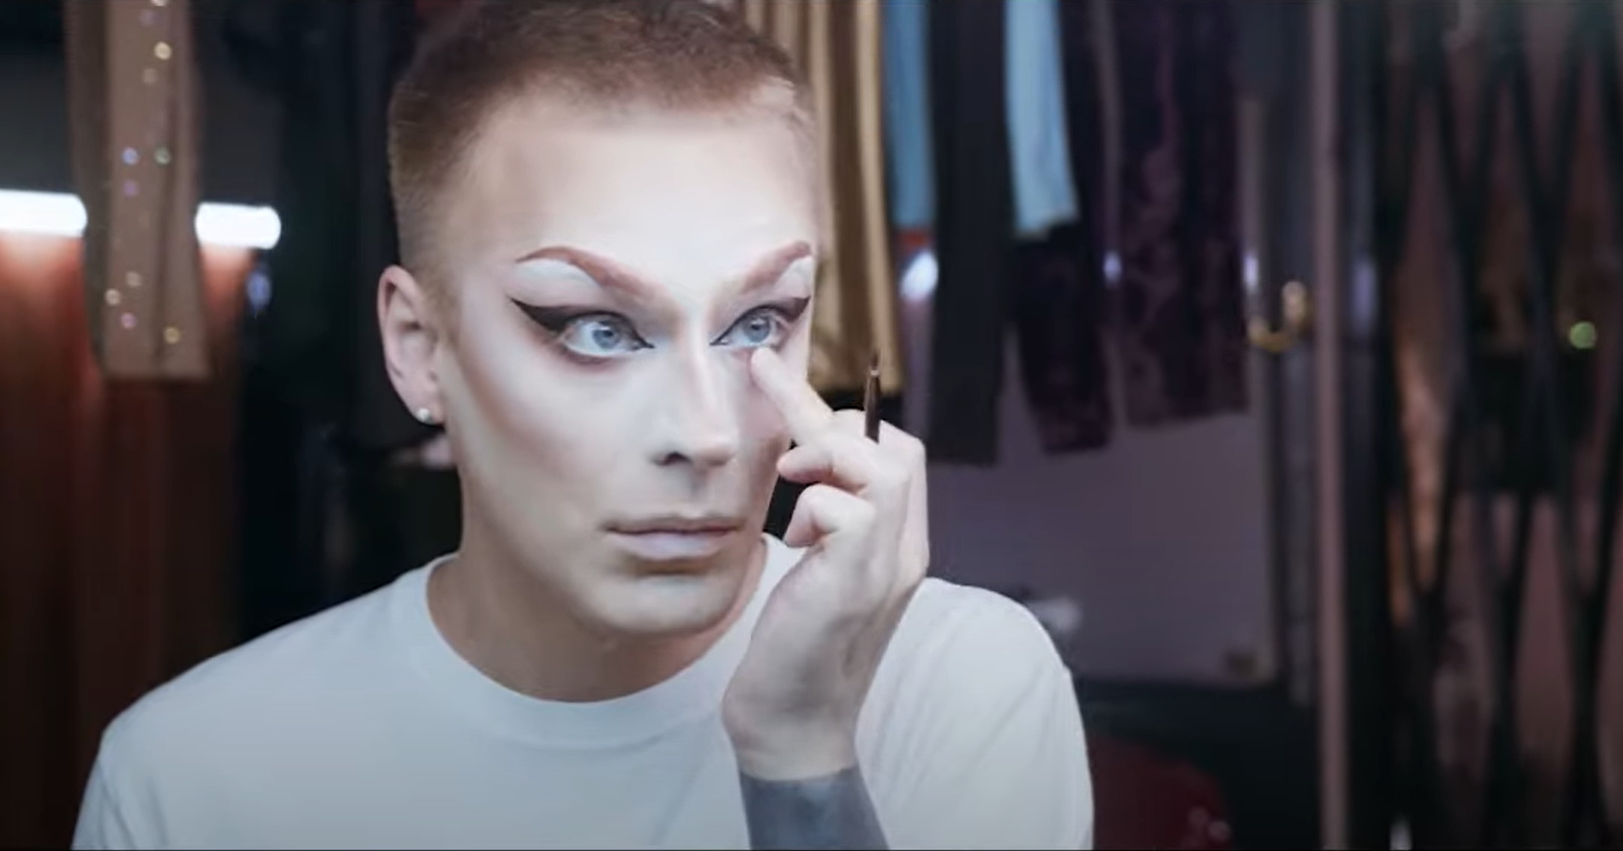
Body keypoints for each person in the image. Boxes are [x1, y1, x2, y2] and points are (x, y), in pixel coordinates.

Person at [72, 2, 1092, 848]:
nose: (708, 434)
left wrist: (801, 762)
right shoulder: (193, 774)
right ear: (419, 347)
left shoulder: (958, 682)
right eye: (599, 328)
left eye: (759, 321)